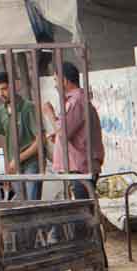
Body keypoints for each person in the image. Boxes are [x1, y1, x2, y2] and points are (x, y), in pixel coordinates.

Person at [43, 62, 104, 199]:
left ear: (64, 80)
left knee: (83, 212)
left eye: (55, 80)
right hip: (80, 168)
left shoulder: (75, 101)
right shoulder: (77, 100)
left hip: (81, 169)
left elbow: (63, 132)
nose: (55, 85)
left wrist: (50, 113)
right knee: (84, 210)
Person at [0, 71, 42, 201]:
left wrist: (18, 159)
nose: (0, 94)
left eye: (4, 89)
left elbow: (40, 141)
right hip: (13, 166)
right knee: (20, 205)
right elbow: (3, 140)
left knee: (32, 205)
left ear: (14, 86)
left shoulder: (28, 107)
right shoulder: (0, 111)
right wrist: (8, 167)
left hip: (31, 164)